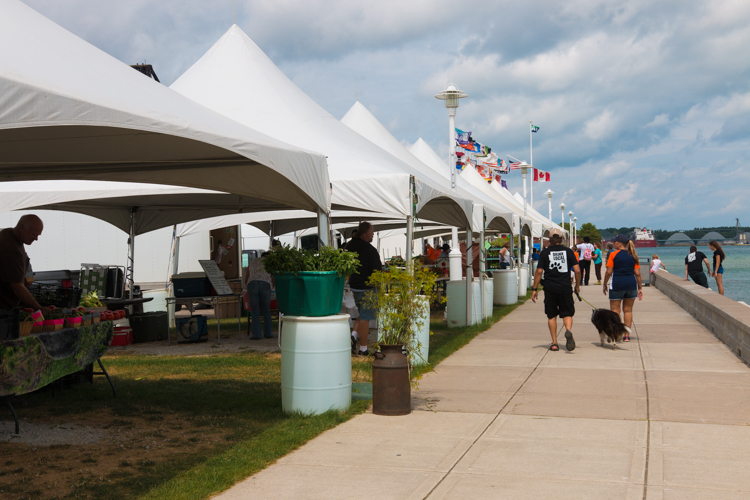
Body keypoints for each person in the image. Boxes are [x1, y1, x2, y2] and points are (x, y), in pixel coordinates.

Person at [531, 233, 581, 352]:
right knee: (567, 313)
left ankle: (554, 343)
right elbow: (577, 270)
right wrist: (577, 285)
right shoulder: (569, 252)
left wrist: (534, 289)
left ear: (550, 240)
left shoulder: (545, 252)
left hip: (550, 288)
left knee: (551, 315)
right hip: (565, 287)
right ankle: (568, 331)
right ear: (562, 239)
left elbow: (538, 272)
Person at [345, 222, 382, 356]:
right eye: (372, 231)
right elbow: (377, 271)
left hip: (354, 287)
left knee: (362, 313)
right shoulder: (369, 249)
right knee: (366, 317)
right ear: (366, 233)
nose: (373, 234)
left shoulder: (349, 246)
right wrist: (379, 286)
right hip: (366, 288)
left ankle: (353, 336)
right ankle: (363, 349)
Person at [0, 215, 51, 315]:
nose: (36, 239)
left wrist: (23, 278)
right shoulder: (10, 248)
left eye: (38, 235)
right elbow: (17, 288)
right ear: (22, 228)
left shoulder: (9, 234)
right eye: (33, 234)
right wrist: (38, 308)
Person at [602, 234, 643, 342]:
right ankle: (627, 336)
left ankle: (618, 333)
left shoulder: (613, 255)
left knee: (615, 311)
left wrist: (604, 284)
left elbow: (608, 272)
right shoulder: (633, 255)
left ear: (619, 243)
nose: (614, 243)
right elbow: (638, 274)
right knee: (628, 310)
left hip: (617, 285)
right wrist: (640, 287)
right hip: (631, 285)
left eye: (615, 242)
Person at [243, 252, 274, 340]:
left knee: (255, 310)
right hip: (265, 284)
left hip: (252, 284)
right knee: (266, 309)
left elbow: (247, 277)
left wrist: (248, 286)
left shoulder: (252, 261)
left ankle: (256, 334)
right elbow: (272, 277)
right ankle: (268, 333)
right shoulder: (269, 262)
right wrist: (273, 287)